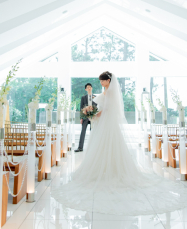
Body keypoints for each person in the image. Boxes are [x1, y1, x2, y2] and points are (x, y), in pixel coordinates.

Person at [52, 71, 187, 215]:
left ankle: (111, 171)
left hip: (107, 123)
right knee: (100, 147)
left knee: (109, 145)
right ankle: (101, 170)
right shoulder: (106, 91)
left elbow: (109, 108)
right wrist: (92, 112)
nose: (101, 83)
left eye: (102, 81)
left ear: (108, 80)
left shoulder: (111, 92)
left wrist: (95, 114)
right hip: (102, 123)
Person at [74, 83, 97, 152]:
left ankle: (93, 148)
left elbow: (97, 106)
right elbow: (81, 108)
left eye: (90, 87)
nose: (89, 88)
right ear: (86, 89)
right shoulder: (83, 98)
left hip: (93, 117)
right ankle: (80, 147)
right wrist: (81, 118)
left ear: (92, 88)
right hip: (85, 117)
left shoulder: (95, 97)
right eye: (88, 87)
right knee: (83, 132)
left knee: (93, 132)